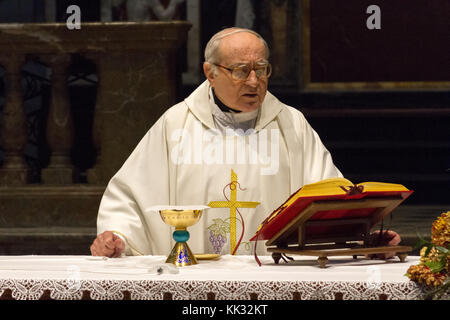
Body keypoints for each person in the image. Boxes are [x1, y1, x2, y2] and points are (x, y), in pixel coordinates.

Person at [90, 28, 400, 258]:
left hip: (274, 279)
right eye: (240, 71)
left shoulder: (290, 124)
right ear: (210, 73)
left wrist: (362, 238)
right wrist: (117, 237)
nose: (254, 81)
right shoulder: (176, 125)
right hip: (194, 281)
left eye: (261, 69)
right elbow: (130, 196)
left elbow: (328, 196)